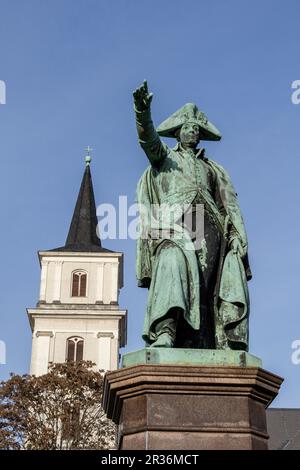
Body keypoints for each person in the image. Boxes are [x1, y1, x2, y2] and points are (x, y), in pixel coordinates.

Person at [134, 81, 251, 350]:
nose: (192, 132)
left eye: (196, 129)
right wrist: (142, 112)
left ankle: (207, 343)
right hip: (174, 226)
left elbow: (228, 207)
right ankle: (165, 331)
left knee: (206, 289)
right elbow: (148, 140)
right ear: (177, 133)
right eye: (187, 128)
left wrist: (234, 236)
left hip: (212, 231)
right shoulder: (165, 159)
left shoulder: (212, 168)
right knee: (171, 263)